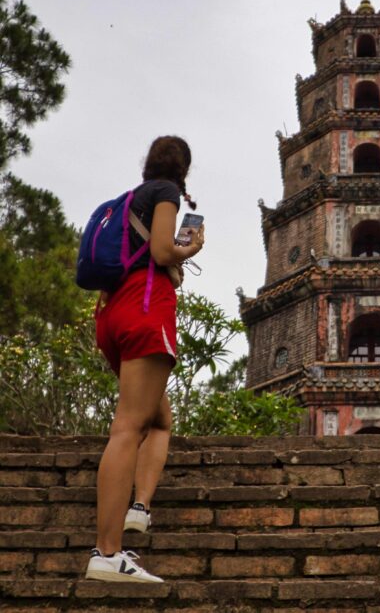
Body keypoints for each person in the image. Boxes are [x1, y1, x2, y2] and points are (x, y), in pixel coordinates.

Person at [85, 135, 204, 583]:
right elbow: (159, 252)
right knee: (129, 427)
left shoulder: (126, 201)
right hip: (144, 308)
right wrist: (188, 249)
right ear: (182, 169)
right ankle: (108, 552)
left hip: (111, 315)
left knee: (158, 419)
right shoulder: (166, 194)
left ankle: (139, 508)